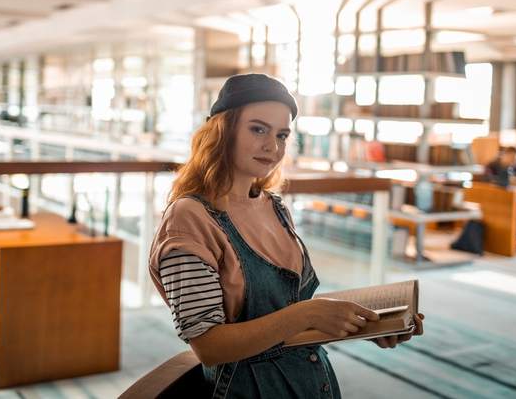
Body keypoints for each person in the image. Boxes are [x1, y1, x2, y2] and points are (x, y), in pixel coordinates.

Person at [149, 73, 424, 398]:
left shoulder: (275, 207)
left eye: (282, 135)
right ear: (223, 131)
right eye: (258, 129)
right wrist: (305, 314)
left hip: (313, 385)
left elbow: (289, 321)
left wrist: (365, 325)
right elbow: (208, 345)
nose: (272, 146)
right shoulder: (189, 218)